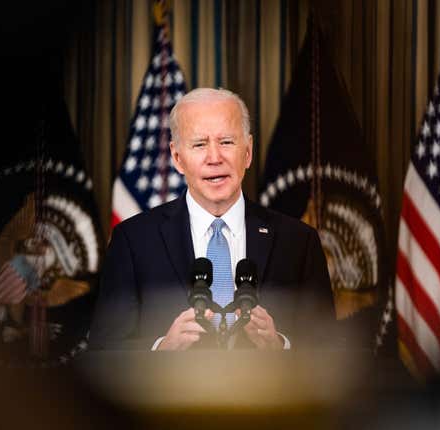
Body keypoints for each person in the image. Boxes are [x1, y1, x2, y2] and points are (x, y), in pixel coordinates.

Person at [90, 88, 334, 351]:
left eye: (227, 142)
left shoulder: (299, 242)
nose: (215, 158)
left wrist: (280, 346)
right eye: (199, 144)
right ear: (177, 158)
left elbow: (330, 351)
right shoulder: (133, 241)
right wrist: (161, 349)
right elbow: (104, 350)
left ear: (248, 152)